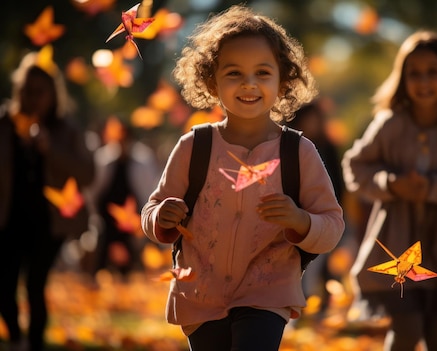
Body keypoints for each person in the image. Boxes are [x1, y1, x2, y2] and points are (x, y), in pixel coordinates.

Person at [140, 5, 345, 351]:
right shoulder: (195, 146)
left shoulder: (298, 152)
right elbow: (152, 209)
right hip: (200, 294)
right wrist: (162, 217)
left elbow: (332, 224)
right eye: (234, 73)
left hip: (267, 294)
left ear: (283, 81)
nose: (249, 84)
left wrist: (300, 220)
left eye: (262, 73)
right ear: (211, 80)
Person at [342, 30, 437, 351]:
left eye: (433, 73)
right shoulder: (390, 123)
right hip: (398, 247)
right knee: (407, 329)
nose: (423, 82)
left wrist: (434, 188)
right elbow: (355, 166)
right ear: (402, 78)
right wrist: (392, 184)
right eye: (414, 74)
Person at [0, 51, 95, 351]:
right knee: (4, 285)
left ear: (53, 94)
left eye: (40, 92)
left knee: (34, 285)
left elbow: (87, 173)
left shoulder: (66, 130)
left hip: (48, 223)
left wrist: (49, 148)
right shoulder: (4, 124)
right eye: (27, 91)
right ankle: (16, 339)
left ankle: (35, 345)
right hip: (8, 218)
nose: (33, 98)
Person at [286, 99, 346, 314]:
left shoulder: (328, 147)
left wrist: (337, 208)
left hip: (323, 215)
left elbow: (338, 182)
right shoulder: (290, 147)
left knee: (325, 263)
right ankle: (301, 303)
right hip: (297, 214)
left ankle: (320, 305)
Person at [86, 116, 160, 279]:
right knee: (103, 253)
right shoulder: (104, 159)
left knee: (130, 257)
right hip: (107, 219)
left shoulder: (142, 160)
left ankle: (127, 280)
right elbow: (94, 191)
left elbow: (149, 191)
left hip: (133, 220)